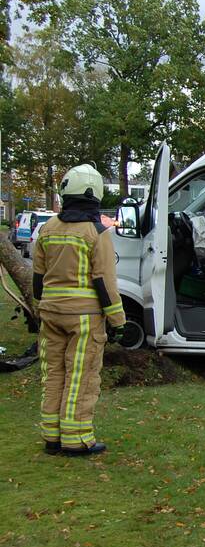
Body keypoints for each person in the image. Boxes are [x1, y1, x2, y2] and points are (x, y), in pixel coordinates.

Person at [33, 164, 126, 456]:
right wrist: (118, 321)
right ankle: (76, 438)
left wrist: (41, 306)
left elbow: (38, 278)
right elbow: (105, 282)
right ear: (94, 195)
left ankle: (51, 437)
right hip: (84, 319)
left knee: (53, 374)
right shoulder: (97, 232)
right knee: (80, 377)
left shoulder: (47, 229)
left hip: (50, 314)